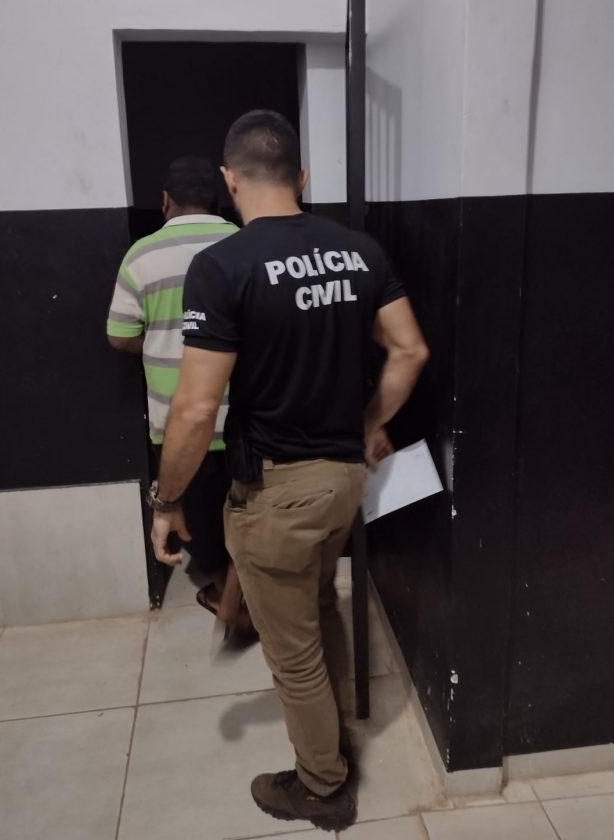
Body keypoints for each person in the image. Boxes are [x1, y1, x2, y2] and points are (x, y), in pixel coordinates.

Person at [147, 111, 429, 831]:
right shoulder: (359, 251)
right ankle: (336, 729)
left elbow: (195, 409)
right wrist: (369, 423)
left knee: (292, 650)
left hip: (276, 491)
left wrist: (168, 499)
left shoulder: (224, 266)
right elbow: (410, 350)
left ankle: (322, 787)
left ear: (230, 179)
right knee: (322, 604)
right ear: (301, 177)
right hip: (343, 481)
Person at [106, 155, 239, 615]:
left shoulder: (142, 254)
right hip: (245, 417)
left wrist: (162, 341)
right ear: (221, 199)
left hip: (177, 420)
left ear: (166, 201)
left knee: (199, 518)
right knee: (249, 514)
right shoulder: (246, 244)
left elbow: (119, 335)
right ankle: (250, 594)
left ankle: (224, 592)